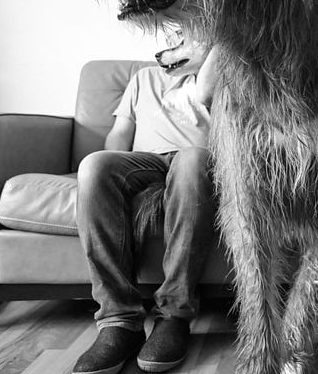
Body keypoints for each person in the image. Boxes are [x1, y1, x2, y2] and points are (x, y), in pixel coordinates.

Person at [73, 30, 219, 374]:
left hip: (196, 163)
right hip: (146, 162)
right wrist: (95, 173)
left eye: (182, 42)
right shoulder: (144, 79)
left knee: (193, 159)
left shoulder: (221, 78)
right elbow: (118, 137)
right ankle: (118, 320)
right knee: (95, 165)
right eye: (169, 40)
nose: (165, 51)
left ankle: (174, 314)